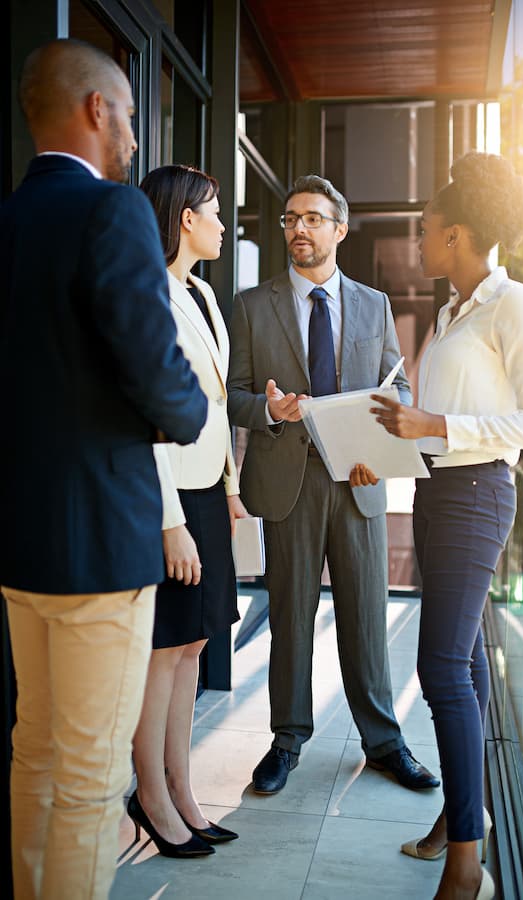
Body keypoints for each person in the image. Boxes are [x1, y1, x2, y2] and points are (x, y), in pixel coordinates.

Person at [0, 40, 208, 900]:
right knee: (90, 780)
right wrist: (190, 413)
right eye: (125, 112)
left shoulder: (9, 220)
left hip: (22, 543)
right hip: (100, 546)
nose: (131, 134)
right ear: (95, 109)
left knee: (35, 752)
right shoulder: (112, 212)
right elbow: (155, 366)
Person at [369, 150, 523, 900]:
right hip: (439, 492)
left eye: (427, 232)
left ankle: (466, 860)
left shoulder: (515, 306)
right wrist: (384, 445)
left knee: (440, 667)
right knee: (469, 665)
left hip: (479, 494)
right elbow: (433, 426)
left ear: (457, 236)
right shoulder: (452, 312)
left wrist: (435, 422)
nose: (419, 243)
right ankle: (459, 815)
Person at [227, 173, 440, 795]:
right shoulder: (251, 304)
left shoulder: (374, 303)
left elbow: (397, 387)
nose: (299, 228)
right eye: (291, 218)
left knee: (366, 617)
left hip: (359, 481)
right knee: (290, 617)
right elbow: (234, 396)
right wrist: (269, 410)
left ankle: (383, 743)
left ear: (339, 229)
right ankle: (286, 740)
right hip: (287, 480)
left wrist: (382, 439)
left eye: (313, 219)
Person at [128, 164, 247, 857]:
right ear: (183, 220)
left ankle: (181, 788)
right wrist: (171, 520)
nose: (223, 224)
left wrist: (229, 486)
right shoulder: (148, 294)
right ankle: (150, 795)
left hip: (207, 490)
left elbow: (218, 403)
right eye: (213, 211)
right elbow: (147, 418)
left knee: (197, 641)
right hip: (166, 495)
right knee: (163, 649)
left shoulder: (200, 293)